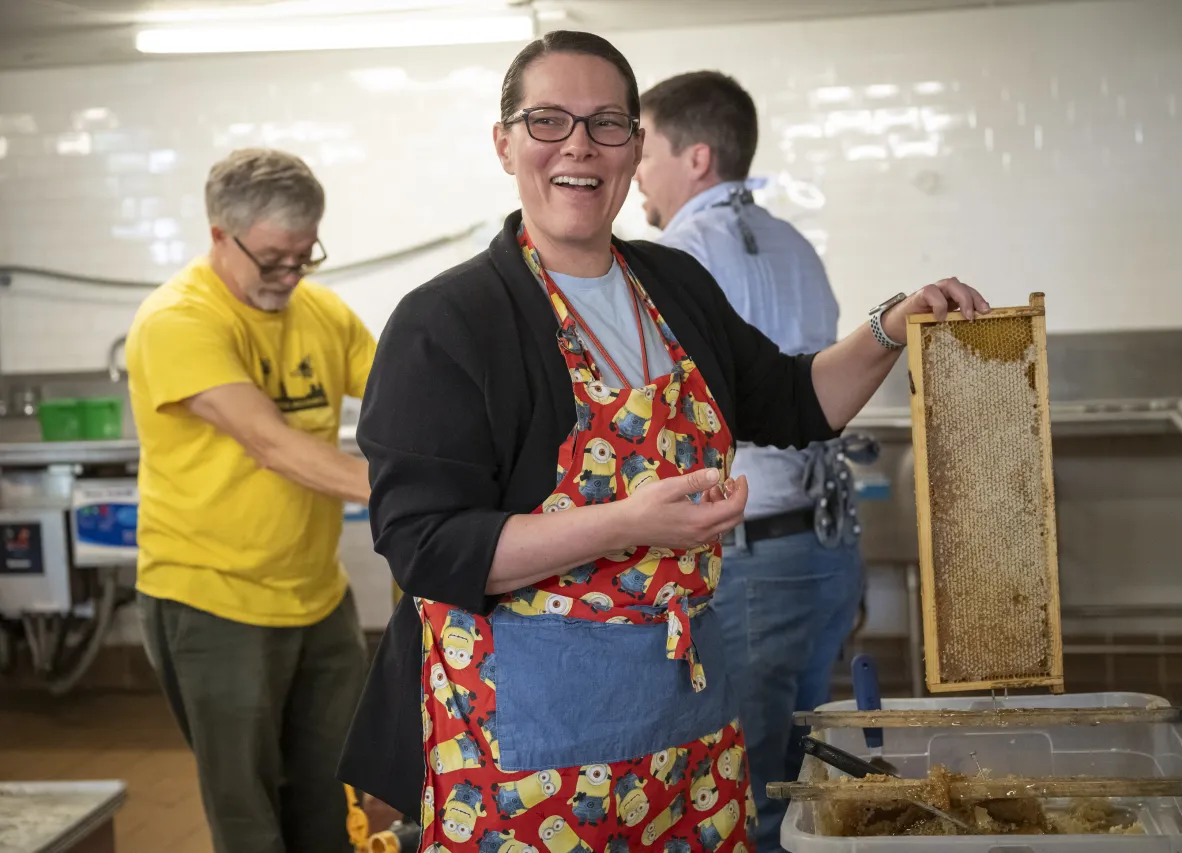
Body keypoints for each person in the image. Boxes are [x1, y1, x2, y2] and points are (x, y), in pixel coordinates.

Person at [338, 30, 989, 851]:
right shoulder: (449, 321)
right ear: (504, 144)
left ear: (636, 149)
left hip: (683, 732)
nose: (578, 144)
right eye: (548, 121)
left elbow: (792, 400)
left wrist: (892, 326)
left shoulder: (670, 283)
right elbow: (425, 545)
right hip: (523, 756)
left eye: (607, 123)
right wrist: (628, 522)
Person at [634, 70, 867, 852]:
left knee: (752, 785)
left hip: (757, 558)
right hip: (826, 550)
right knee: (802, 774)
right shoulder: (795, 242)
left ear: (696, 158)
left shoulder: (676, 258)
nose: (634, 167)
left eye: (645, 147)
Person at [126, 147, 377, 853]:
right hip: (212, 600)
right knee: (250, 816)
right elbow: (270, 443)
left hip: (319, 597)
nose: (291, 275)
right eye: (273, 258)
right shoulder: (178, 320)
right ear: (218, 235)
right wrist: (410, 499)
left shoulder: (321, 311)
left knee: (330, 798)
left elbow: (405, 396)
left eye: (305, 255)